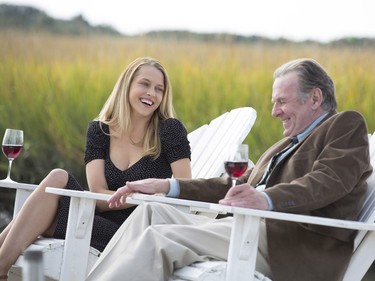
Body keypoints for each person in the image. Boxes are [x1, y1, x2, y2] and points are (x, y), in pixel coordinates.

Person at [85, 58, 372, 281]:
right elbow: (231, 185)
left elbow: (327, 182)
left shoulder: (344, 126)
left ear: (315, 98)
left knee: (160, 237)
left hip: (287, 244)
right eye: (274, 103)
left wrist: (266, 199)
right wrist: (167, 187)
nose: (274, 112)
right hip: (243, 227)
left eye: (281, 101)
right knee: (151, 210)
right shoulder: (285, 144)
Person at [0, 57, 192, 279]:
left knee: (39, 212)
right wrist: (132, 194)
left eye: (159, 89)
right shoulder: (100, 131)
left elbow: (184, 190)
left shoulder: (169, 130)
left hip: (135, 231)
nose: (152, 93)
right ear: (127, 85)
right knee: (57, 178)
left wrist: (143, 199)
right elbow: (96, 193)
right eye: (145, 84)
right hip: (92, 219)